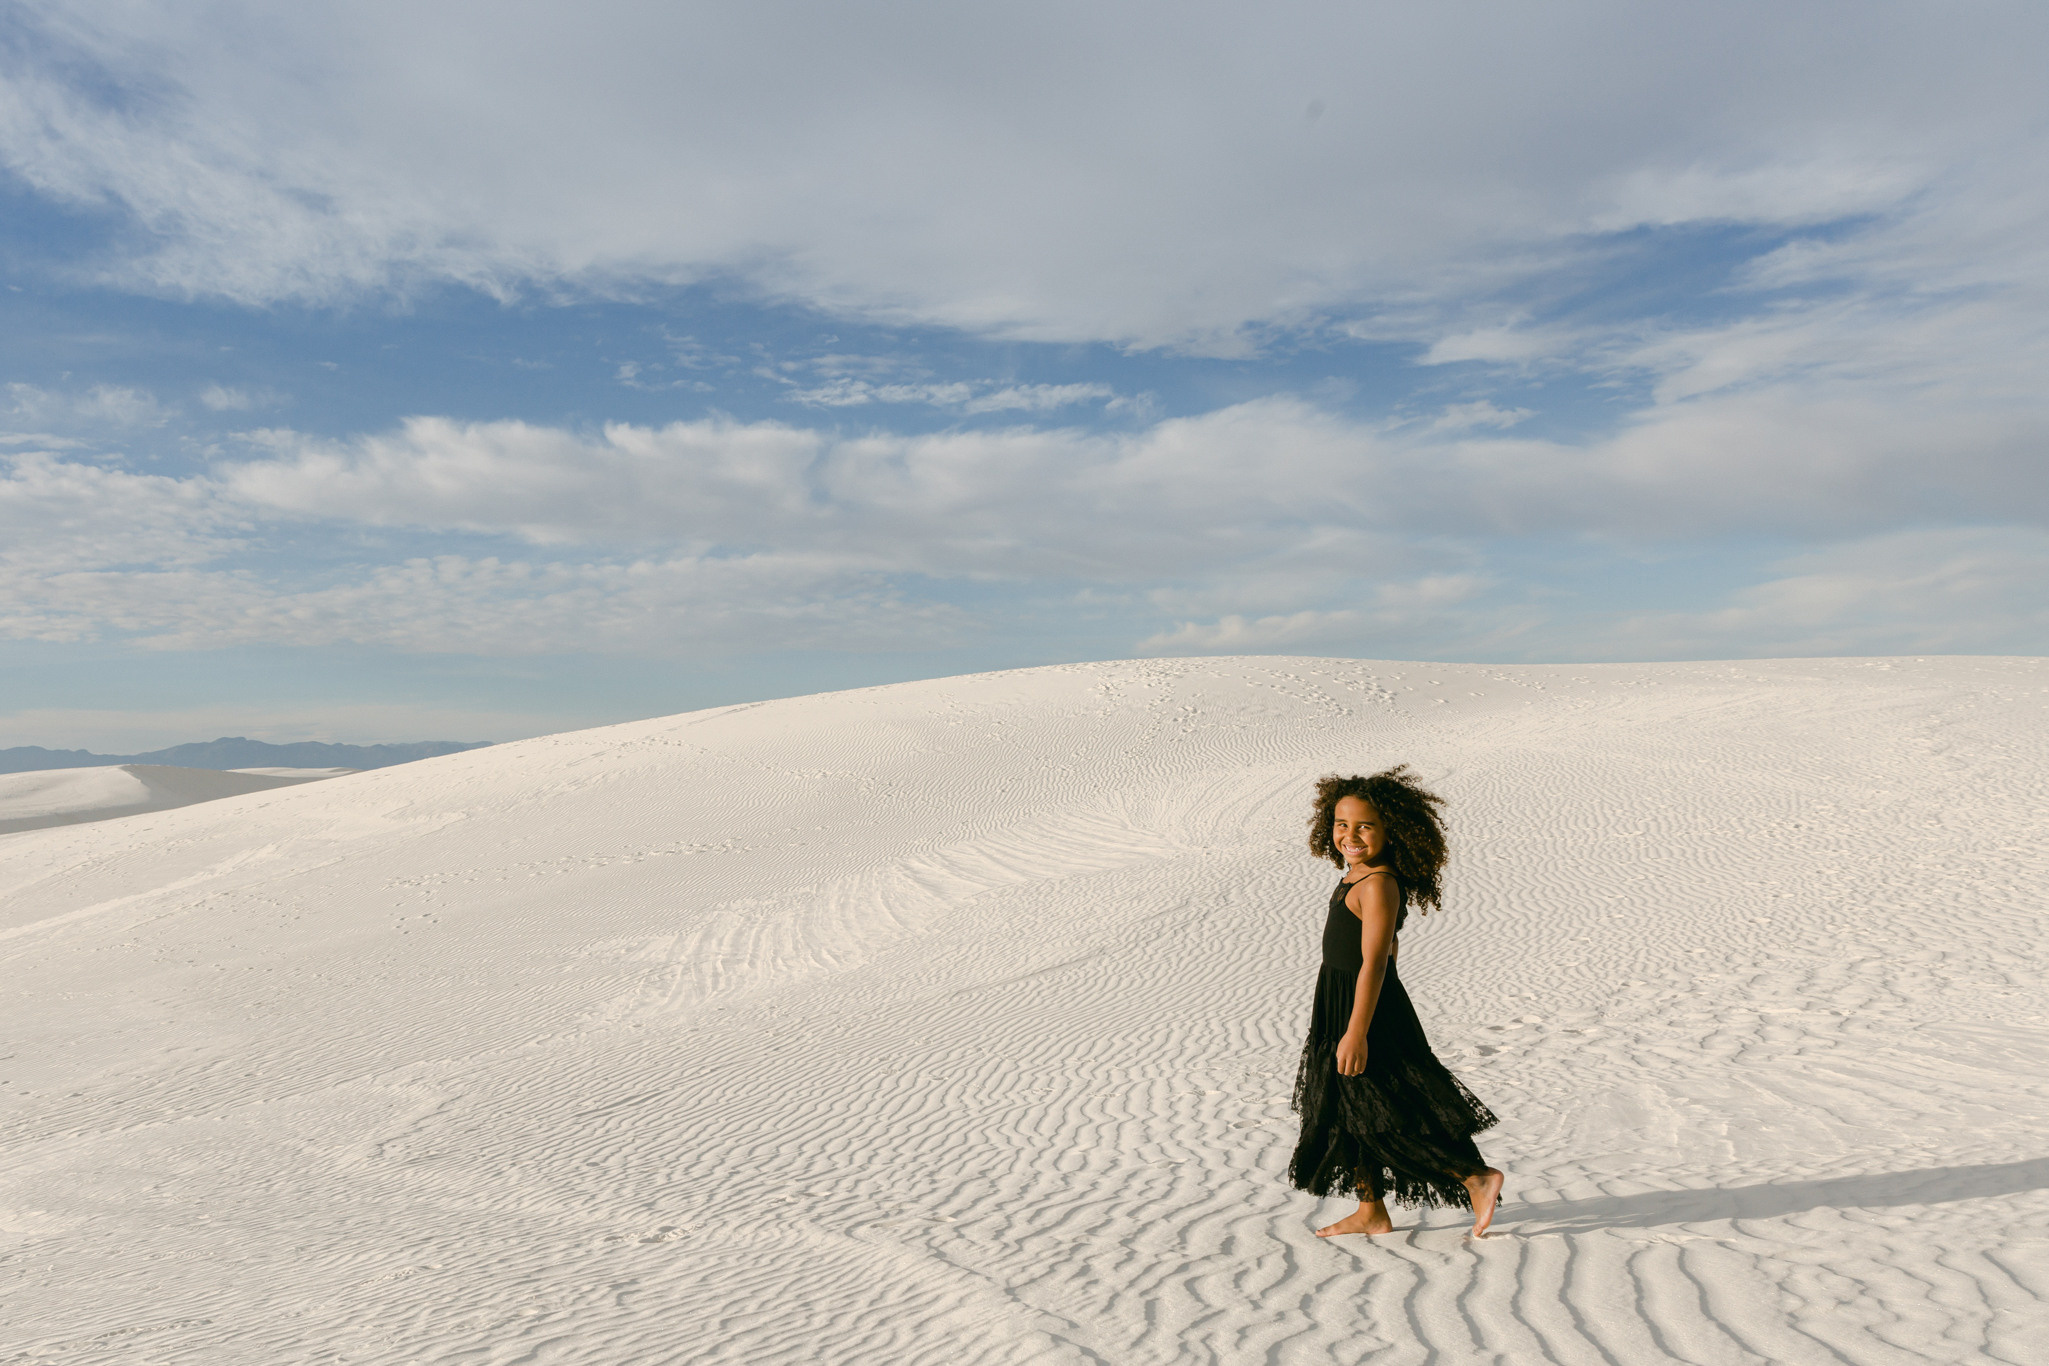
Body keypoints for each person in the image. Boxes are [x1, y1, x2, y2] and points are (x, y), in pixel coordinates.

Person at [1287, 766, 1505, 1238]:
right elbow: (1389, 950)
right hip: (1343, 999)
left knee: (1386, 1112)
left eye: (1364, 826)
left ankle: (1475, 1177)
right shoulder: (1355, 874)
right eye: (1341, 825)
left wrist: (1357, 1030)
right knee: (1352, 1112)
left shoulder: (1377, 883)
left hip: (1363, 1009)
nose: (1350, 835)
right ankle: (1372, 1210)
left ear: (1390, 830)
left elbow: (1376, 963)